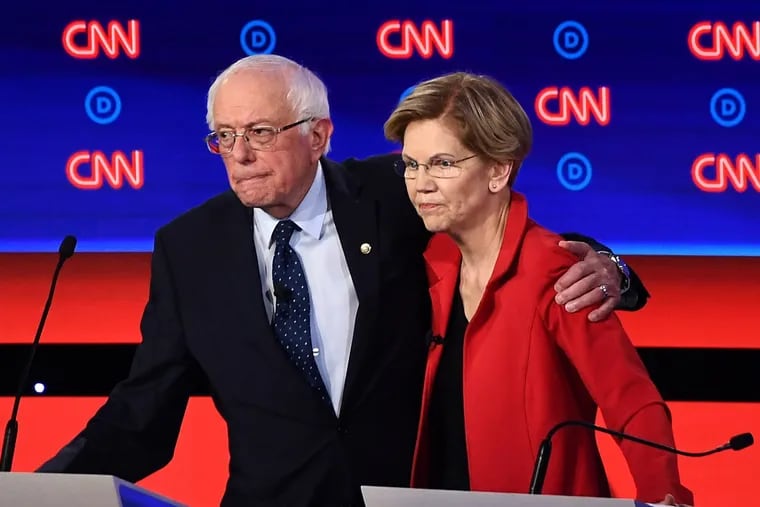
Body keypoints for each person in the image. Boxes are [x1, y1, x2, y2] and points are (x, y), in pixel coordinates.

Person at [38, 55, 649, 507]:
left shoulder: (395, 191)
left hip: (410, 498)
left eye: (260, 132)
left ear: (318, 135)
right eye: (223, 136)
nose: (239, 153)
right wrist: (42, 490)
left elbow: (498, 224)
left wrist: (609, 268)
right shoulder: (189, 248)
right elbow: (144, 409)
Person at [383, 71, 694, 506]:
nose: (421, 183)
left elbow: (632, 401)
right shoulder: (430, 263)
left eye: (443, 163)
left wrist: (664, 495)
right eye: (412, 165)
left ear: (498, 170)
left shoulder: (554, 270)